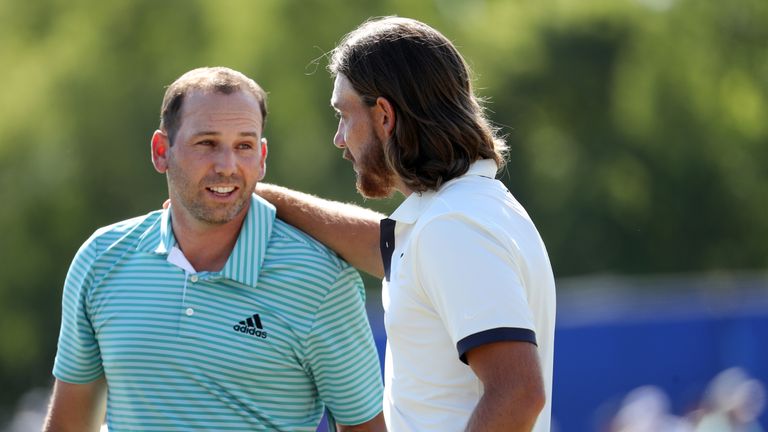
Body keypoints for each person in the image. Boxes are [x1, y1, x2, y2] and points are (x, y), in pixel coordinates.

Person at [43, 67, 386, 432]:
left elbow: (364, 427)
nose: (227, 166)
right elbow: (69, 423)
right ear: (162, 152)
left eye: (244, 146)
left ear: (262, 158)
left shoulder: (321, 280)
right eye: (206, 143)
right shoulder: (101, 259)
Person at [257, 16, 556, 432]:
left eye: (344, 115)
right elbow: (389, 249)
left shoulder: (453, 226)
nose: (339, 139)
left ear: (383, 116)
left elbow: (518, 394)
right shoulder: (461, 214)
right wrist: (264, 198)